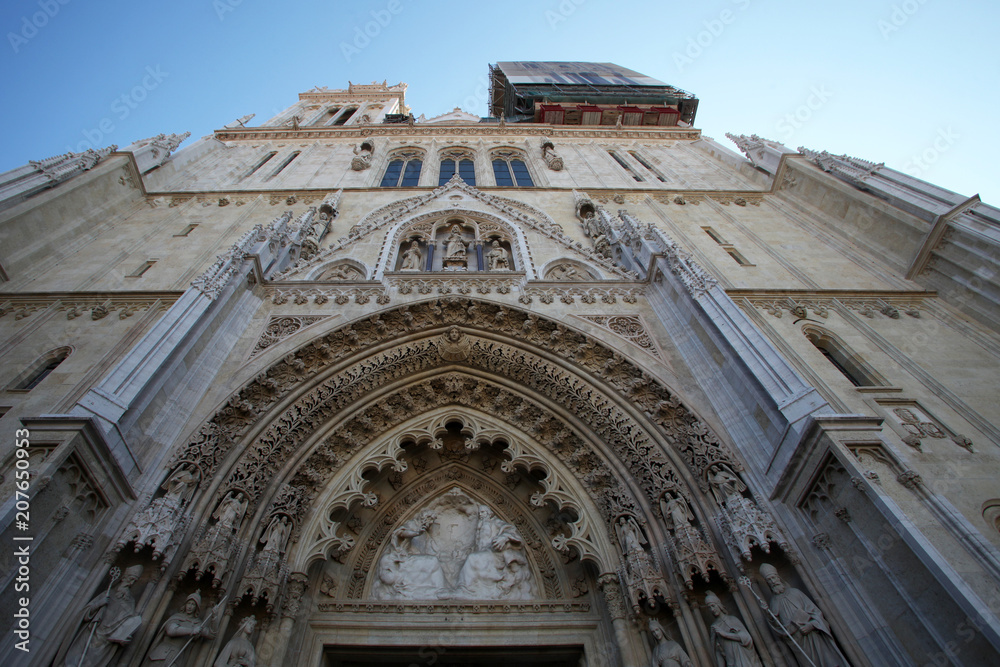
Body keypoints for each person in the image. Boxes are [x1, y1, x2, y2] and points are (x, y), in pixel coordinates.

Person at [760, 564, 850, 666]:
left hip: (813, 635)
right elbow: (778, 626)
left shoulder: (795, 593)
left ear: (778, 577)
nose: (772, 582)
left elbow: (816, 613)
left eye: (773, 578)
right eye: (769, 580)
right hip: (797, 641)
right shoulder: (773, 602)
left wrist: (811, 625)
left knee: (829, 661)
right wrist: (768, 613)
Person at [62, 565, 143, 667]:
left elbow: (126, 623)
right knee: (74, 661)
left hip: (105, 642)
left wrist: (124, 636)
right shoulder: (108, 593)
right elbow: (85, 613)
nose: (131, 583)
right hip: (92, 632)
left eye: (134, 581)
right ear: (124, 577)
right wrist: (98, 604)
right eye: (130, 579)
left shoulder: (130, 602)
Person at [143, 591, 216, 667]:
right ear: (185, 604)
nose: (190, 606)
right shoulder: (177, 617)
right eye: (189, 603)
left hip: (177, 658)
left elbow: (212, 635)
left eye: (193, 604)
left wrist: (215, 618)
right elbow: (171, 630)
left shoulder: (197, 623)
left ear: (196, 607)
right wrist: (192, 631)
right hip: (160, 654)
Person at [705, 591, 763, 667]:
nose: (712, 609)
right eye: (709, 608)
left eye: (713, 606)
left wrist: (725, 634)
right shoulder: (714, 627)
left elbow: (747, 638)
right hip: (731, 663)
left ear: (718, 605)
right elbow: (717, 651)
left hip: (744, 659)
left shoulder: (732, 619)